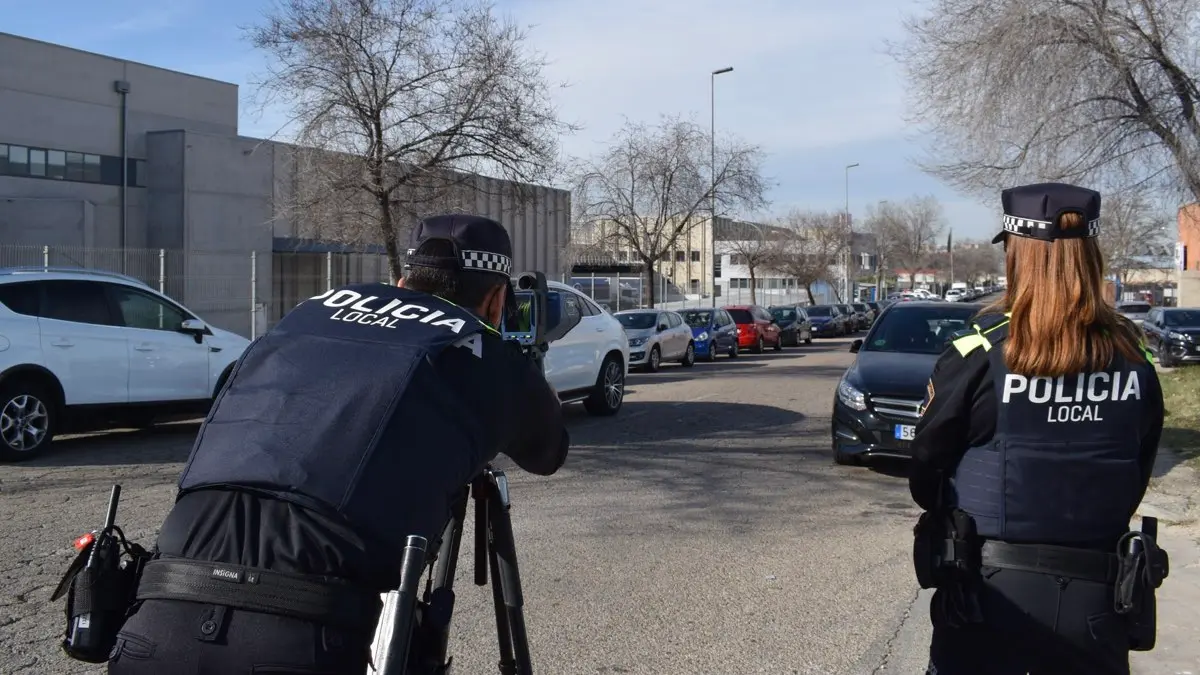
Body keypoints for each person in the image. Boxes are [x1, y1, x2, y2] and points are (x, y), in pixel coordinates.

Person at [108, 214, 569, 674]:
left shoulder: (306, 315)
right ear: (496, 299)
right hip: (299, 646)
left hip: (151, 622)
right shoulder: (482, 353)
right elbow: (549, 453)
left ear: (401, 280)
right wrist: (529, 382)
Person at [910, 182, 1164, 675]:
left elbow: (926, 471)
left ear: (1017, 255)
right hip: (1099, 600)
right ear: (1090, 256)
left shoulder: (979, 357)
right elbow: (1138, 469)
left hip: (988, 598)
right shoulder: (1135, 362)